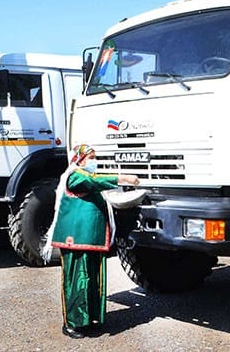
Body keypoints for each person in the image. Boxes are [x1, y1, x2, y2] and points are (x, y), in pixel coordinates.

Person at [49, 144, 139, 339]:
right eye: (91, 157)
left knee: (91, 279)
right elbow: (92, 181)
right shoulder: (75, 176)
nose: (93, 161)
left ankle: (88, 320)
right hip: (75, 239)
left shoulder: (83, 176)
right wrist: (121, 179)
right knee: (76, 280)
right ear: (80, 159)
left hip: (91, 239)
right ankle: (73, 323)